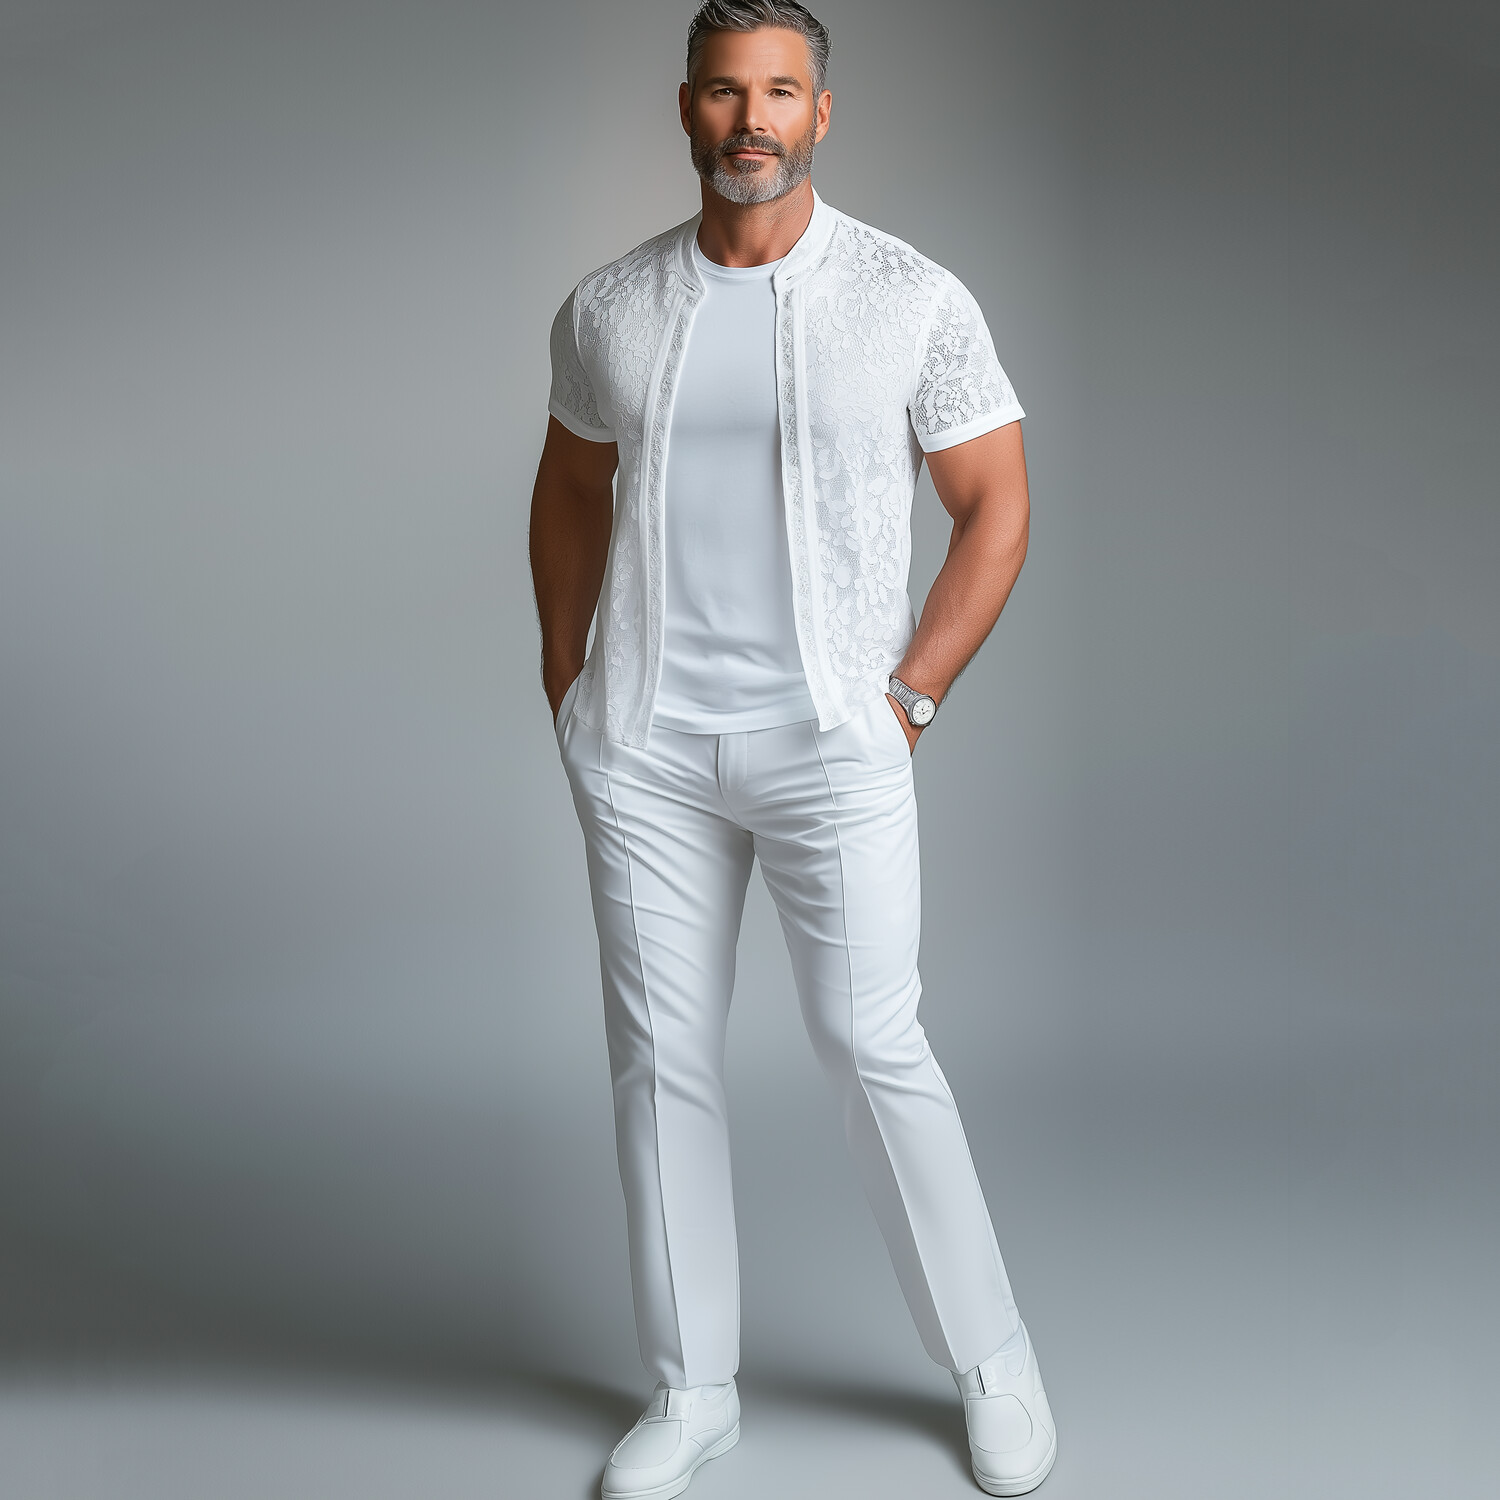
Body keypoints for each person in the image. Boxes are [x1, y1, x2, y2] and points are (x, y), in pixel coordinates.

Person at [528, 3, 1056, 1494]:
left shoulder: (909, 297)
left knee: (872, 1043)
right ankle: (693, 1388)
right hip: (646, 747)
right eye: (723, 90)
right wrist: (568, 677)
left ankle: (992, 1358)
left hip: (833, 741)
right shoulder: (610, 307)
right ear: (685, 109)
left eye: (779, 91)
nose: (750, 119)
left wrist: (912, 697)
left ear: (822, 113)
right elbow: (568, 484)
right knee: (659, 1062)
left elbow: (996, 503)